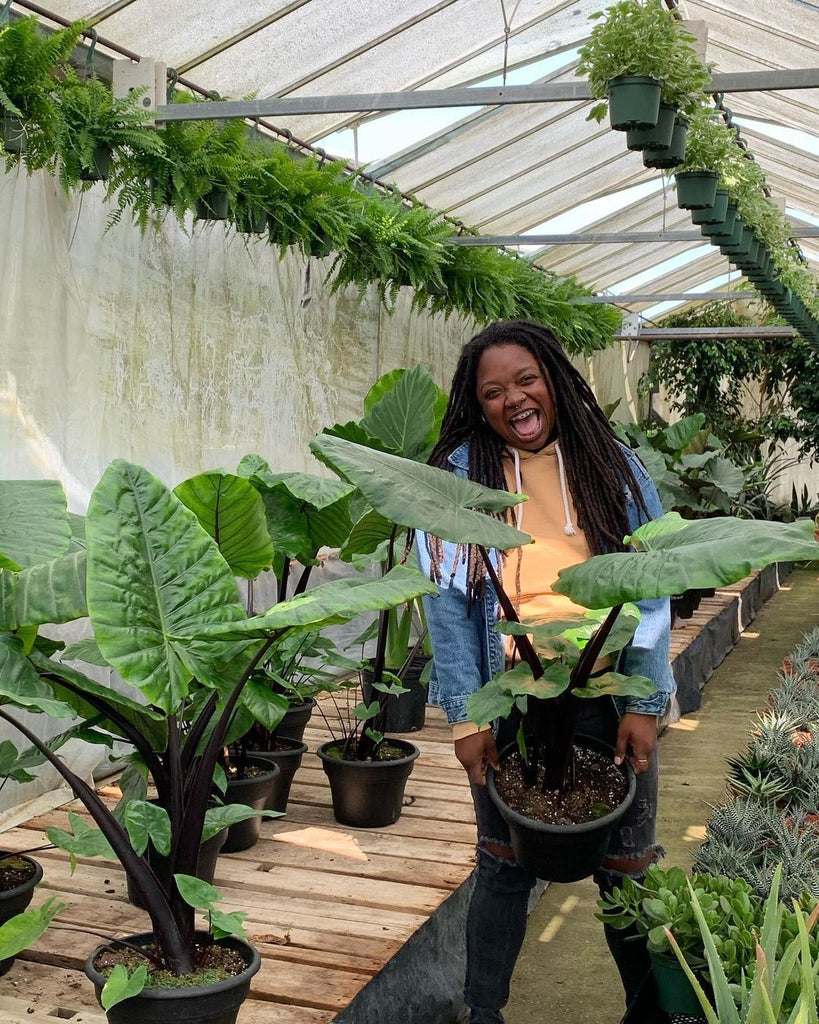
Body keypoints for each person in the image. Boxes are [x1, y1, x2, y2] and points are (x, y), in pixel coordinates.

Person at [417, 319, 675, 1024]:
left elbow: (650, 588)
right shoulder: (458, 479)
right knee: (502, 861)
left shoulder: (612, 465)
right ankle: (483, 1012)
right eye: (493, 390)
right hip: (511, 696)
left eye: (525, 380)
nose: (514, 399)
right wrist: (467, 718)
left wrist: (644, 702)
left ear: (554, 382)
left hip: (603, 688)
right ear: (477, 404)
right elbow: (446, 607)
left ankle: (648, 1011)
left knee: (626, 861)